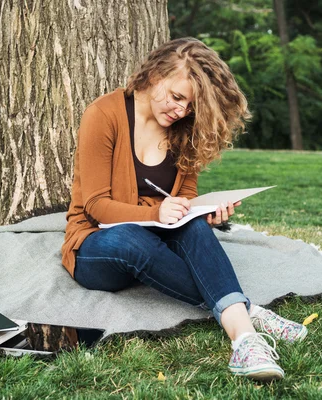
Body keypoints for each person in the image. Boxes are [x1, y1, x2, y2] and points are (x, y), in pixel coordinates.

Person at [61, 37, 307, 381]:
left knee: (195, 228)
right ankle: (244, 309)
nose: (180, 111)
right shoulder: (103, 114)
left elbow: (185, 198)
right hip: (96, 245)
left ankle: (245, 340)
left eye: (189, 106)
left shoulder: (184, 130)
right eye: (177, 97)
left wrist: (202, 213)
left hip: (160, 233)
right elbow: (96, 206)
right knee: (131, 239)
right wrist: (155, 215)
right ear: (154, 75)